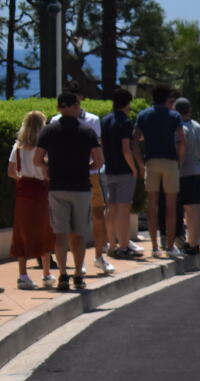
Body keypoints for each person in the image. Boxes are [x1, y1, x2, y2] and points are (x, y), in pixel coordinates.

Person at [35, 91, 103, 290]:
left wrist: (48, 168)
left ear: (58, 108)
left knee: (60, 234)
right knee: (79, 234)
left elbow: (37, 159)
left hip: (57, 187)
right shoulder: (87, 131)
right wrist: (87, 167)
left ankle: (63, 274)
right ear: (76, 106)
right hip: (81, 187)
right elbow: (99, 161)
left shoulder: (48, 131)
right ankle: (78, 274)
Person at [133, 84, 186, 260]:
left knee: (152, 206)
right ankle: (170, 245)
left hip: (151, 161)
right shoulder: (174, 115)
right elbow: (181, 141)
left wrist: (141, 164)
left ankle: (155, 246)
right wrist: (179, 160)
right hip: (170, 161)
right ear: (166, 98)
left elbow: (135, 141)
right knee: (171, 206)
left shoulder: (143, 115)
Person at [66, 81, 113, 275]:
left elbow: (97, 147)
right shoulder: (55, 121)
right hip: (69, 175)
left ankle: (99, 257)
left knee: (98, 215)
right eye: (70, 95)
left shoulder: (92, 120)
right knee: (73, 220)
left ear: (81, 98)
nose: (74, 99)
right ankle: (79, 261)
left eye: (76, 95)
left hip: (91, 175)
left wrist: (93, 167)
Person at [8, 110, 55, 289]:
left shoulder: (18, 146)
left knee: (22, 231)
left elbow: (11, 171)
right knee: (44, 229)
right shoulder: (44, 147)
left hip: (23, 191)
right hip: (42, 191)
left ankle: (23, 274)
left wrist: (21, 176)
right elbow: (46, 172)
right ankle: (46, 273)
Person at [99, 88, 142, 260]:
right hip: (124, 170)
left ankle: (111, 244)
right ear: (127, 103)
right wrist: (134, 168)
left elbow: (102, 144)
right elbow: (126, 149)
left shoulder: (105, 120)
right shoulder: (125, 121)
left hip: (109, 169)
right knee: (124, 209)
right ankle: (124, 246)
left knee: (111, 208)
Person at [173, 98, 200, 253]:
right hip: (197, 168)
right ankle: (196, 240)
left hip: (185, 170)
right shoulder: (198, 126)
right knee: (194, 206)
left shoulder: (180, 127)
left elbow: (179, 148)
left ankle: (193, 243)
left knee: (190, 207)